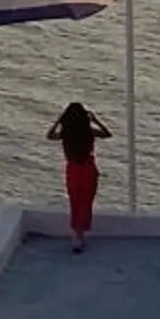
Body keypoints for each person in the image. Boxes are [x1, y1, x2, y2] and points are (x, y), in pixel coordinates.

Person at [46, 102, 112, 252]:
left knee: (75, 201)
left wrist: (58, 120)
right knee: (86, 202)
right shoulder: (89, 131)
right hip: (88, 168)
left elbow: (49, 136)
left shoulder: (66, 133)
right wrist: (95, 120)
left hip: (73, 169)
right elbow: (107, 134)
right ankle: (80, 234)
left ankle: (77, 235)